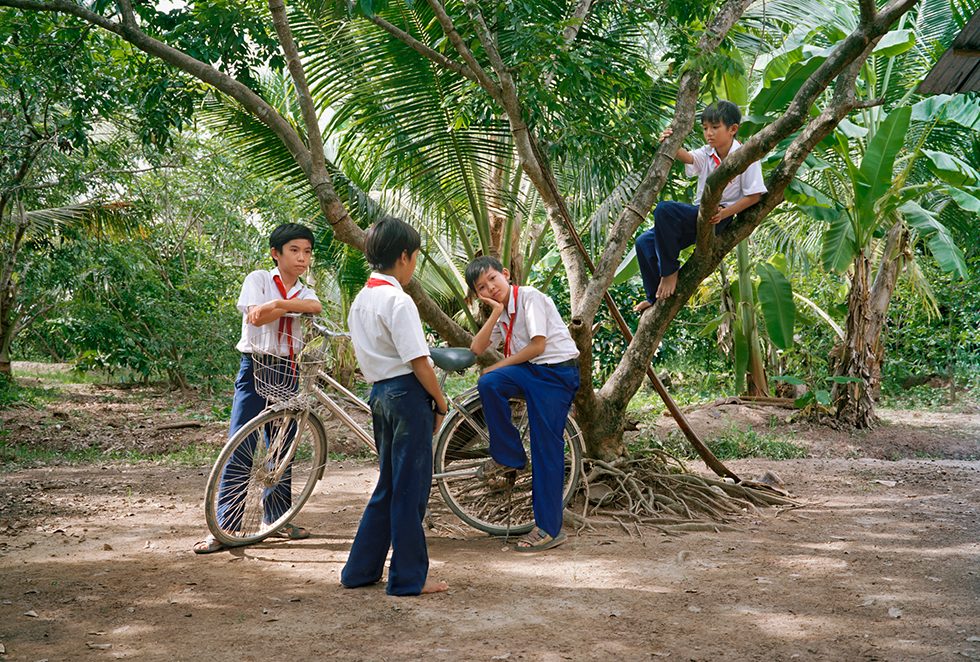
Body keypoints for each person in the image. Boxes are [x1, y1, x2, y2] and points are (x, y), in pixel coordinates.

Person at [194, 222, 323, 554]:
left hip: (287, 368)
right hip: (255, 367)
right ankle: (226, 526)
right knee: (241, 442)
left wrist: (277, 306)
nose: (301, 258)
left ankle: (277, 519)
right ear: (275, 253)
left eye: (307, 251)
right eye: (294, 250)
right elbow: (255, 316)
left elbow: (315, 307)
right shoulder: (258, 279)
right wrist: (282, 307)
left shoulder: (305, 289)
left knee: (282, 447)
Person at [341, 217, 449, 596]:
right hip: (406, 396)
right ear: (404, 256)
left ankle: (359, 571)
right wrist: (439, 399)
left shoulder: (363, 298)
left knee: (388, 485)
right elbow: (419, 361)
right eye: (415, 256)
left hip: (380, 396)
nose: (415, 263)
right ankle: (407, 579)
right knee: (410, 490)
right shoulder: (397, 300)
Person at [466, 256, 580, 552]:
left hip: (555, 373)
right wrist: (494, 312)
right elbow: (477, 349)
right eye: (482, 287)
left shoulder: (530, 298)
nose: (491, 287)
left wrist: (500, 364)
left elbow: (538, 346)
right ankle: (510, 456)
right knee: (489, 382)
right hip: (532, 371)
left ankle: (549, 529)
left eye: (493, 279)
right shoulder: (503, 312)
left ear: (505, 274)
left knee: (546, 447)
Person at [634, 100, 767, 312]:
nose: (709, 133)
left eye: (715, 128)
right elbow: (688, 157)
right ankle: (653, 298)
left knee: (664, 209)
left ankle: (669, 272)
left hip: (719, 218)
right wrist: (671, 141)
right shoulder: (707, 152)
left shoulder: (745, 157)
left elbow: (755, 195)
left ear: (733, 129)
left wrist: (725, 213)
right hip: (698, 214)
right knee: (643, 242)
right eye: (705, 128)